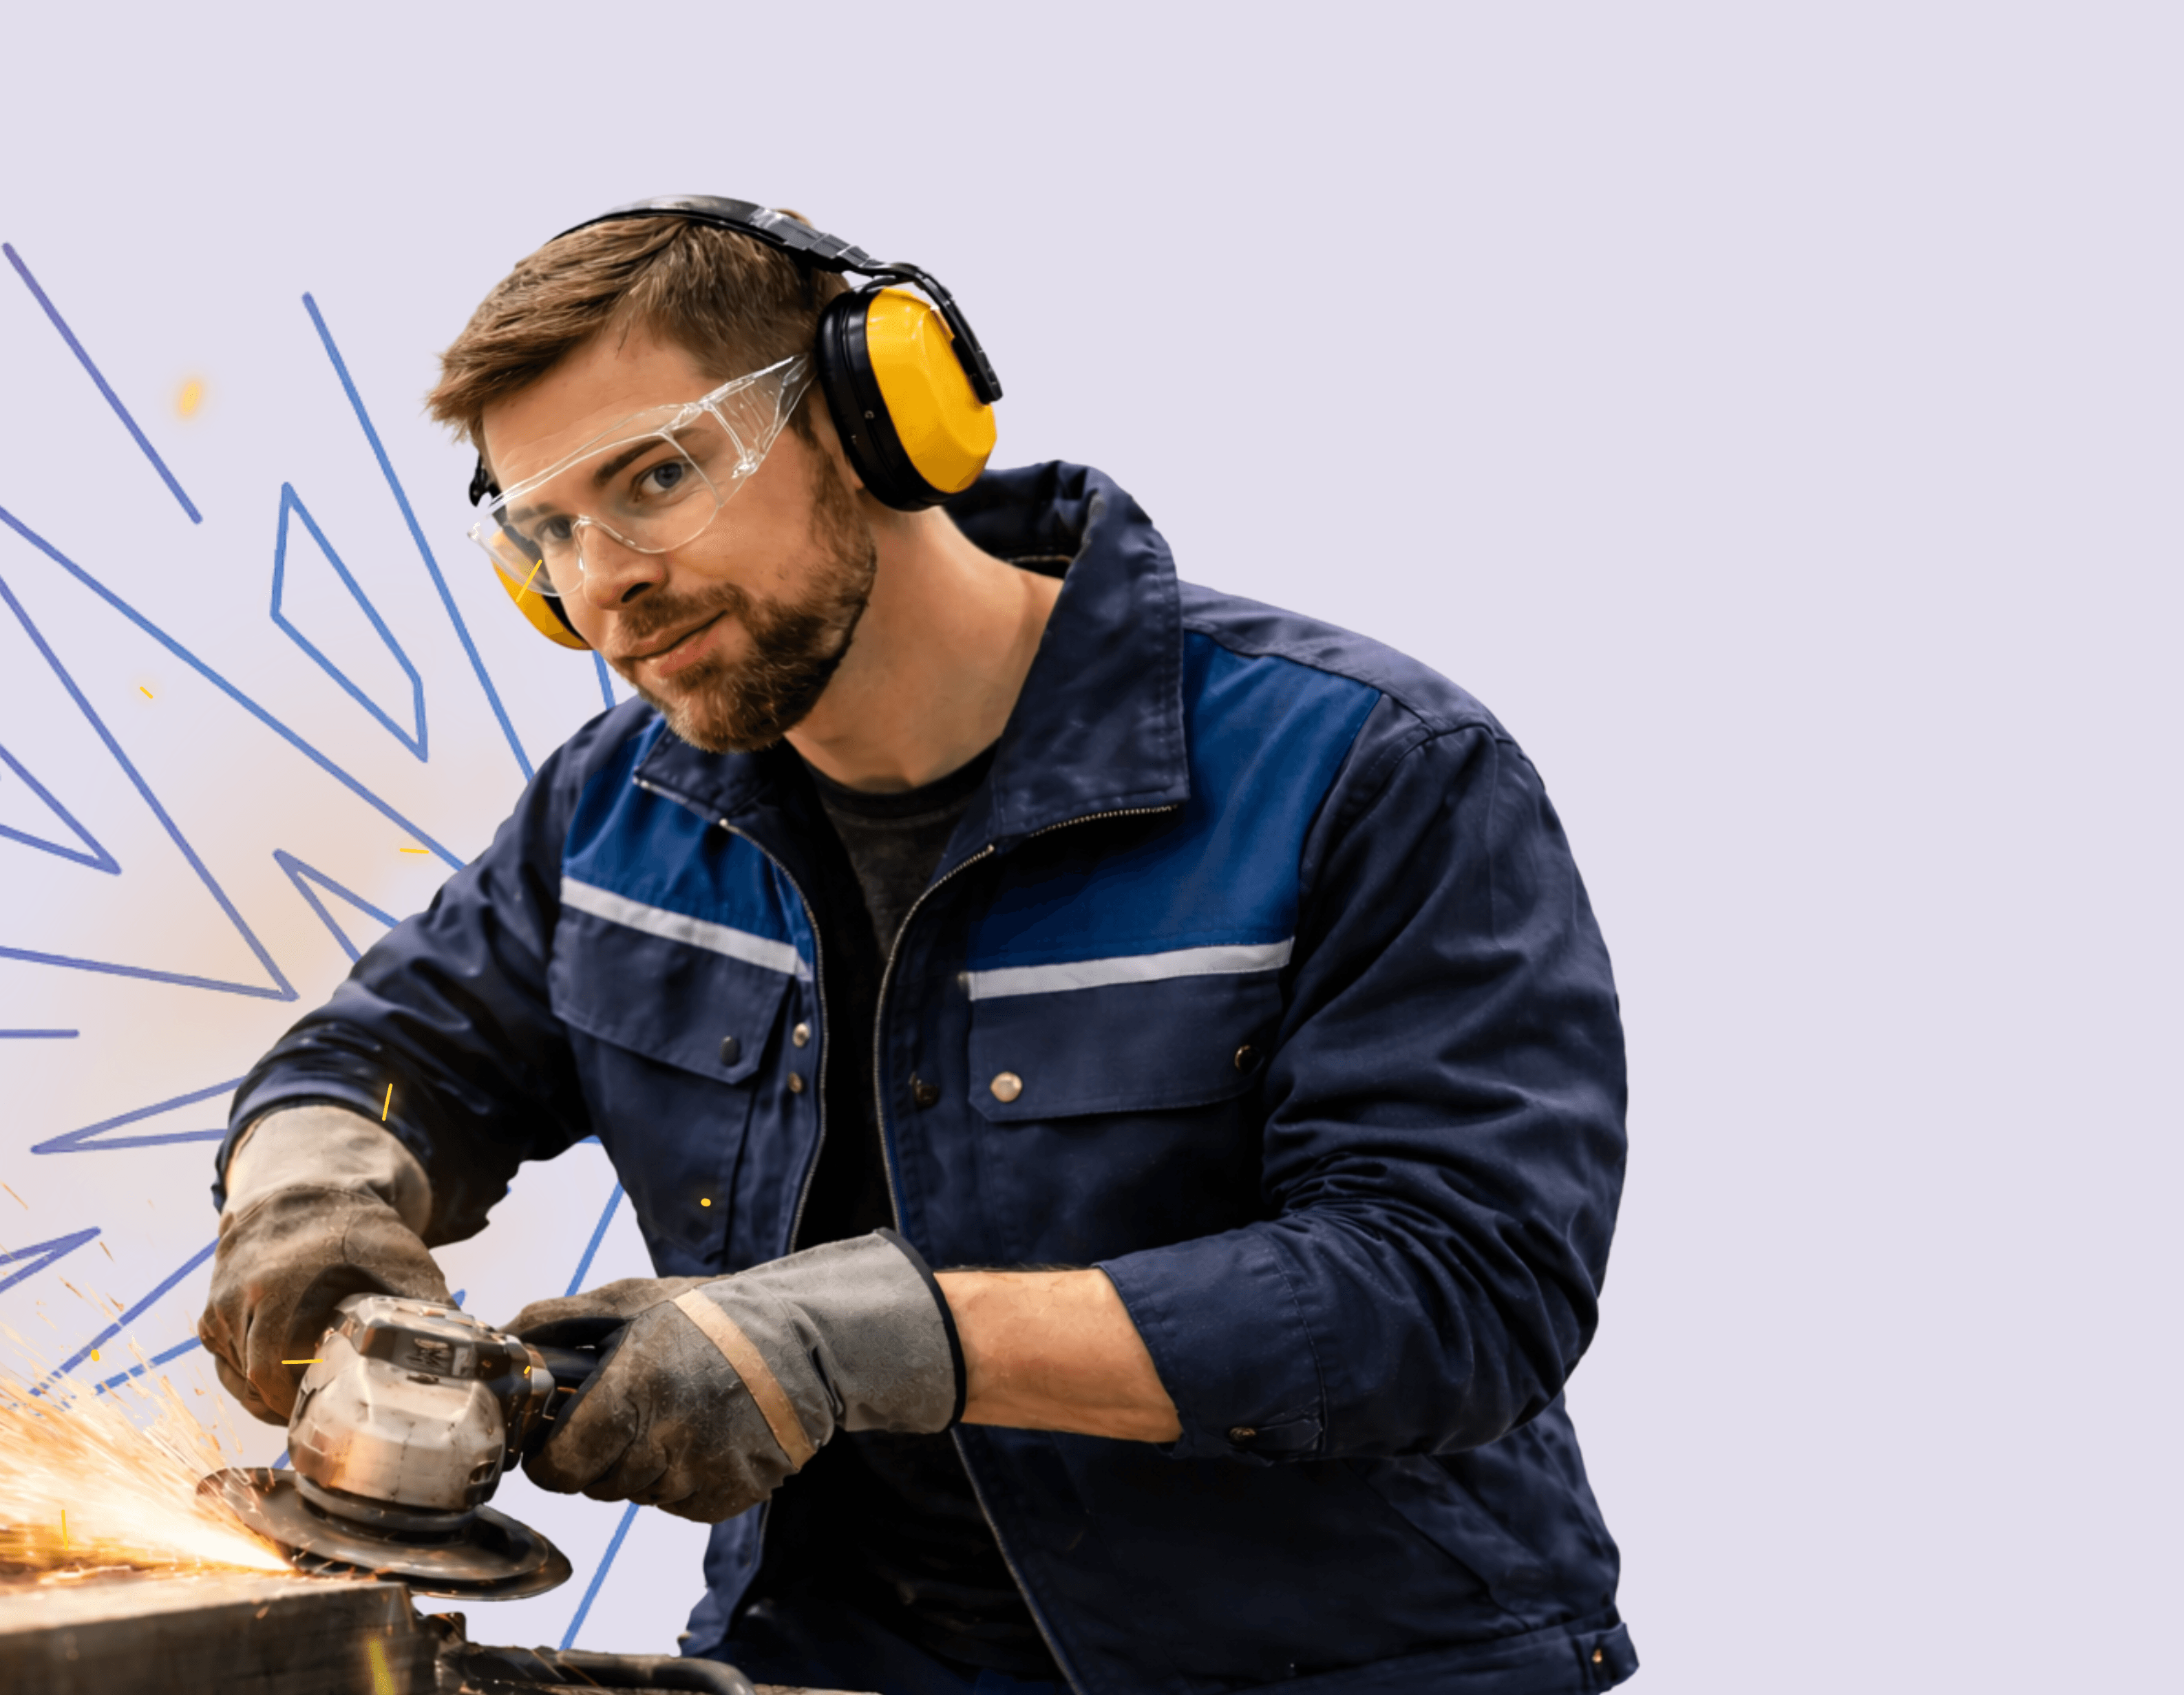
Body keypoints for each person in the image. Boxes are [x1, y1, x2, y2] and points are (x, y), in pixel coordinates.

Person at [199, 198, 1637, 1695]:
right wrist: (306, 1195)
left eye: (658, 475)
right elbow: (384, 1056)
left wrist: (869, 1339)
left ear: (879, 415)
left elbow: (1456, 1290)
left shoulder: (1365, 773)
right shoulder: (617, 810)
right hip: (824, 1659)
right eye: (547, 529)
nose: (601, 583)